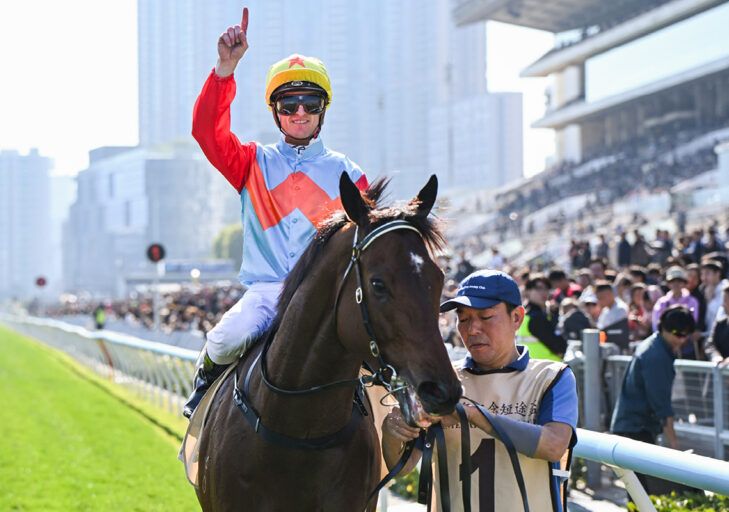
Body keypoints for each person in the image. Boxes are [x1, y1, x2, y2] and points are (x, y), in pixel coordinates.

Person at [183, 8, 369, 418]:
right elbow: (206, 131)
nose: (299, 113)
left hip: (327, 297)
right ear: (275, 111)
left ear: (323, 109)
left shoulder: (350, 174)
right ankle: (204, 391)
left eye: (309, 103)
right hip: (268, 292)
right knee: (225, 337)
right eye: (288, 104)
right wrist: (224, 70)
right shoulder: (251, 161)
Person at [381, 270, 578, 511]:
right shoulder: (441, 380)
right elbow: (402, 468)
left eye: (485, 316)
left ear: (516, 318)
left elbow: (554, 445)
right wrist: (392, 433)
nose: (472, 329)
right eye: (463, 319)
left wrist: (473, 415)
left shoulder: (552, 376)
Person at [610, 305, 695, 491]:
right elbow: (662, 406)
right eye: (677, 334)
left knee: (637, 491)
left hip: (631, 426)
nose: (681, 339)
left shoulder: (653, 344)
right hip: (636, 429)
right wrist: (674, 447)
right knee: (641, 493)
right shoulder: (657, 356)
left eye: (686, 334)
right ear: (663, 328)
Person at [518, 274, 568, 360]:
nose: (543, 292)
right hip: (546, 370)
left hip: (536, 368)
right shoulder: (535, 317)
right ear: (527, 291)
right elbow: (561, 348)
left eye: (546, 289)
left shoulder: (526, 313)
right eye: (538, 288)